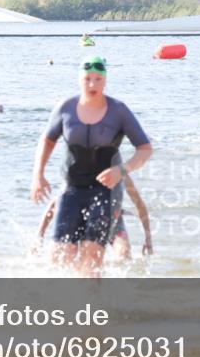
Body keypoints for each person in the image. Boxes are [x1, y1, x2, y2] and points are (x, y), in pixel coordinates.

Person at [31, 55, 153, 277]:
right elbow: (47, 140)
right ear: (80, 79)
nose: (92, 84)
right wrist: (38, 175)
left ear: (105, 80)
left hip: (106, 191)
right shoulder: (65, 108)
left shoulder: (119, 111)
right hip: (72, 189)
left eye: (98, 79)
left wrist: (121, 170)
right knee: (59, 257)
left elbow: (145, 148)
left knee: (91, 255)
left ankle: (93, 307)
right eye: (87, 79)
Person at [36, 174, 153, 260]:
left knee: (124, 254)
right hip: (83, 220)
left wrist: (148, 237)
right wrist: (39, 236)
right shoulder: (85, 175)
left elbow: (140, 205)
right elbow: (55, 204)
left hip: (113, 221)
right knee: (71, 258)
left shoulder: (123, 177)